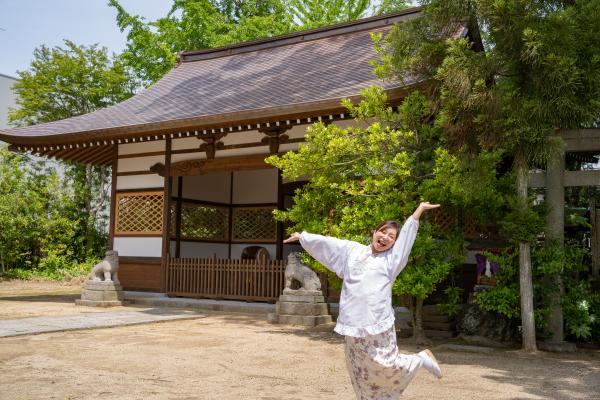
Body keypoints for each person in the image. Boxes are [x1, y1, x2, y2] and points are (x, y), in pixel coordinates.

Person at [283, 202, 442, 399]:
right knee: (359, 369)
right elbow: (331, 244)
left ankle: (420, 359)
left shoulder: (392, 261)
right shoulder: (353, 250)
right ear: (374, 231)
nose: (385, 237)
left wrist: (417, 212)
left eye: (391, 237)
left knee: (386, 363)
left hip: (377, 321)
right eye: (383, 232)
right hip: (352, 321)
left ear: (394, 243)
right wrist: (303, 237)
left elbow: (406, 241)